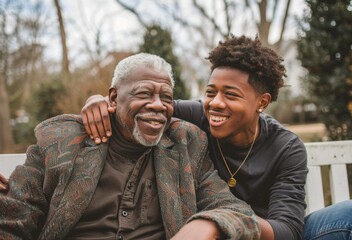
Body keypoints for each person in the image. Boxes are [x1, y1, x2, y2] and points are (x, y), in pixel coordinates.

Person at [80, 34, 352, 240]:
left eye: (231, 95)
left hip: (259, 233)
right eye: (211, 91)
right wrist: (101, 101)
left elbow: (287, 230)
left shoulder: (286, 147)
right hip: (199, 234)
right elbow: (145, 106)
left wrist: (224, 222)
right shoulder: (197, 115)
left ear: (261, 102)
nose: (215, 103)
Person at [0, 53, 261, 240]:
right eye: (144, 93)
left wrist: (208, 224)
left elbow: (236, 211)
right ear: (113, 97)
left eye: (166, 97)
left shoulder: (187, 143)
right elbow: (14, 219)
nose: (158, 105)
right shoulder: (59, 139)